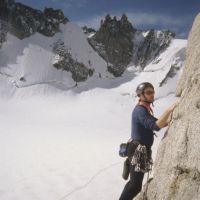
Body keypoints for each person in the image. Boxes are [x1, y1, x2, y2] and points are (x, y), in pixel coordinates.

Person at [119, 82, 178, 200]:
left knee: (133, 184)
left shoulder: (144, 109)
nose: (152, 94)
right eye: (149, 92)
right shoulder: (140, 110)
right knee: (135, 186)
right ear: (141, 95)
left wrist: (171, 119)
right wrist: (169, 110)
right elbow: (156, 125)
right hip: (137, 151)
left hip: (137, 149)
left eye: (153, 92)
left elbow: (158, 122)